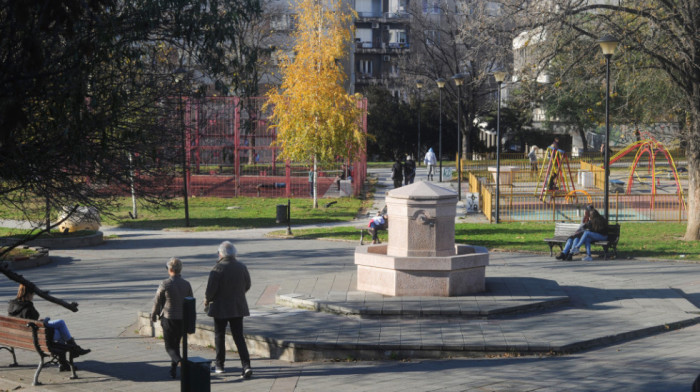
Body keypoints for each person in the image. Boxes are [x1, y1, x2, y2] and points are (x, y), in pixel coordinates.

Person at [8, 284, 90, 371]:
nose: (33, 297)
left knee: (60, 323)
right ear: (29, 294)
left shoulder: (12, 304)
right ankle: (70, 354)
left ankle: (72, 352)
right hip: (37, 338)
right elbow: (32, 323)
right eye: (33, 295)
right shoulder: (28, 306)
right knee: (61, 332)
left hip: (20, 336)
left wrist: (40, 321)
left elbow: (27, 321)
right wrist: (44, 321)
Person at [204, 241, 253, 379]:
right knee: (239, 337)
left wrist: (207, 300)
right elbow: (248, 284)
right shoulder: (242, 267)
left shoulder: (217, 268)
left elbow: (210, 291)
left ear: (220, 254)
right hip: (238, 306)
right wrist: (238, 294)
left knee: (219, 335)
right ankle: (246, 365)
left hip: (220, 308)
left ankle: (219, 365)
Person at [151, 257, 193, 379]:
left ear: (170, 269)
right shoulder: (186, 284)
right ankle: (173, 370)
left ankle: (180, 363)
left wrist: (154, 315)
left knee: (169, 347)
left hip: (169, 319)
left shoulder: (165, 284)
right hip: (182, 319)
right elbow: (190, 301)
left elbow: (157, 301)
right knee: (176, 345)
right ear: (180, 270)